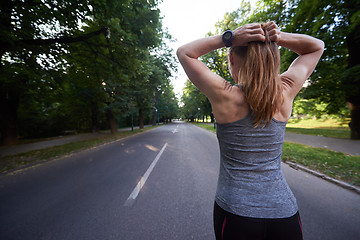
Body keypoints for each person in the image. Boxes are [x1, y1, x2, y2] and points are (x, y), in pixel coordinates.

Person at [177, 21, 324, 240]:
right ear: (273, 59)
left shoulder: (225, 95)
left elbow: (185, 53)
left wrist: (228, 38)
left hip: (237, 214)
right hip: (285, 214)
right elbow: (317, 46)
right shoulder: (285, 91)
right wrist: (278, 37)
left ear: (232, 59)